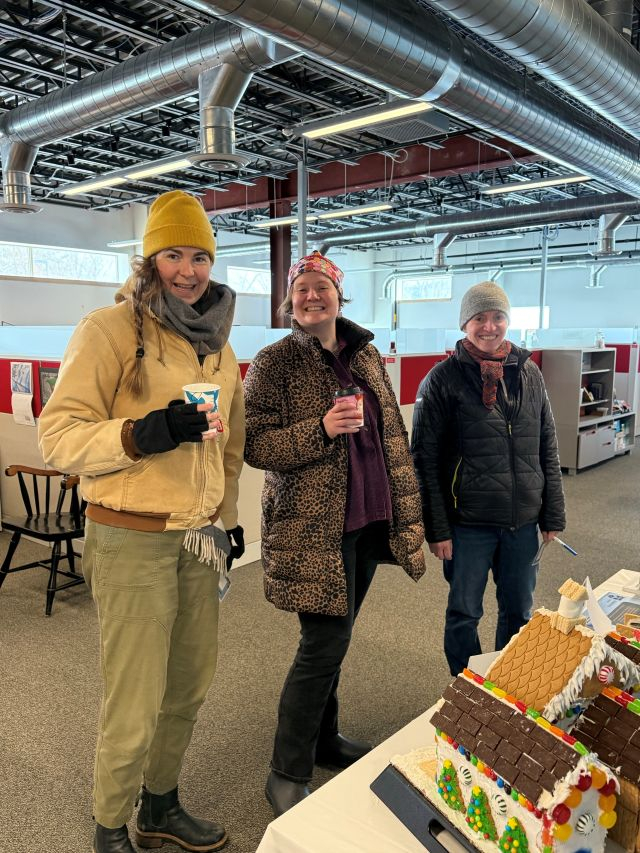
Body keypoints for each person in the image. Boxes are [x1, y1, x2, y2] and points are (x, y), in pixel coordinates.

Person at [38, 190, 245, 853]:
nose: (188, 270)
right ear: (150, 259)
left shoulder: (221, 347)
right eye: (174, 255)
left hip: (199, 538)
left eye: (200, 256)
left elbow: (230, 447)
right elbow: (57, 437)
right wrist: (141, 433)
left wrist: (227, 520)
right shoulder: (109, 330)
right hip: (130, 535)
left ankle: (159, 804)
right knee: (135, 698)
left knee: (188, 685)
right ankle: (110, 825)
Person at [243, 250, 426, 817]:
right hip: (313, 529)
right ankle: (285, 771)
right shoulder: (274, 362)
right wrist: (321, 429)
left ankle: (324, 740)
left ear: (338, 296)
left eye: (321, 287)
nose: (311, 296)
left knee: (335, 642)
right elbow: (256, 446)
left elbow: (391, 433)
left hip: (368, 519)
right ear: (289, 300)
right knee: (320, 646)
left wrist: (406, 507)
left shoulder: (364, 353)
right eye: (302, 288)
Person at [411, 280, 565, 677]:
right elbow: (424, 460)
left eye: (498, 317)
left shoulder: (529, 373)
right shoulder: (442, 379)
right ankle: (467, 687)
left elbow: (546, 443)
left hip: (522, 520)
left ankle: (508, 682)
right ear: (465, 323)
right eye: (479, 317)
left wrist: (552, 514)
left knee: (519, 611)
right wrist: (437, 529)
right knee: (465, 613)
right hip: (468, 524)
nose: (489, 326)